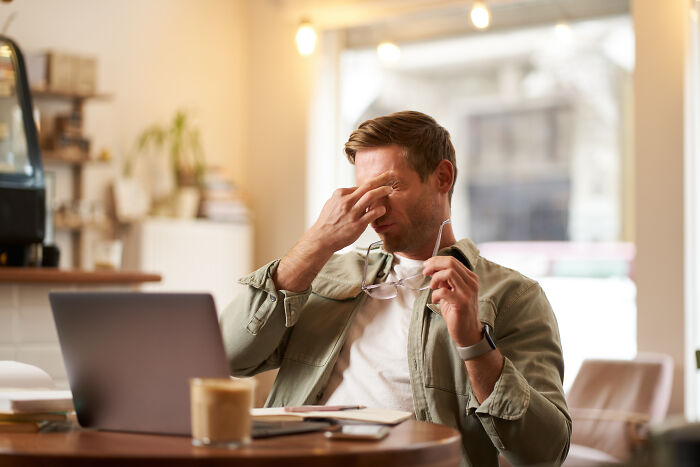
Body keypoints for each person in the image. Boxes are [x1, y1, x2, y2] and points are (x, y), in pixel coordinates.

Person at [220, 110, 571, 466]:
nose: (374, 207)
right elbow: (232, 356)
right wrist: (317, 242)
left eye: (390, 187)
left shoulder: (511, 296)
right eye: (363, 191)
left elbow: (543, 455)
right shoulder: (324, 271)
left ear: (442, 178)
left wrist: (474, 343)